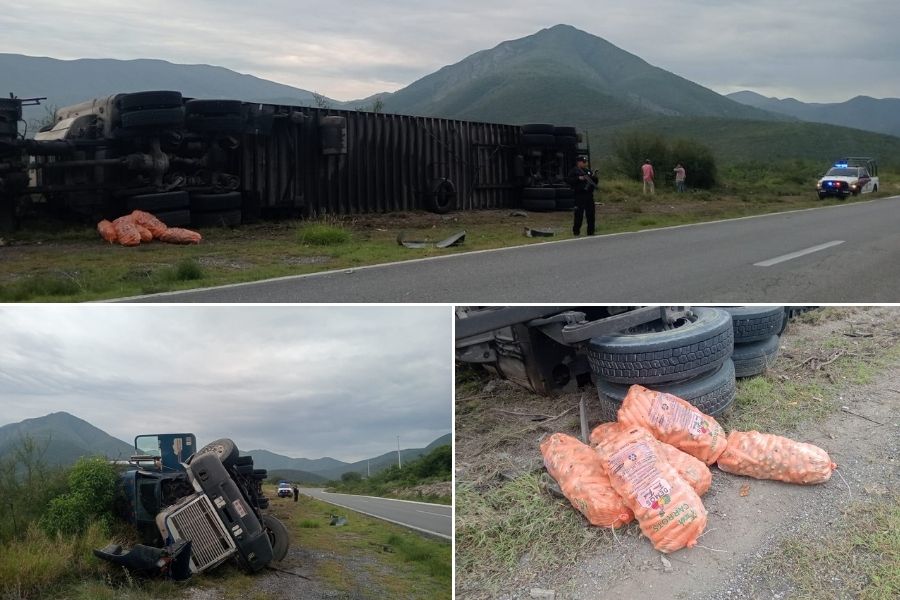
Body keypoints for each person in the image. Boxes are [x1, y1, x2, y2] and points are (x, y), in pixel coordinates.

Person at [566, 156, 599, 236]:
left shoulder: (588, 171)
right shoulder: (574, 171)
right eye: (583, 162)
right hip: (579, 196)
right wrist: (578, 178)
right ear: (579, 162)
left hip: (589, 195)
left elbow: (595, 182)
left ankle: (591, 232)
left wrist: (594, 178)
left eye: (585, 162)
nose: (585, 163)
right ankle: (576, 232)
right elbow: (569, 181)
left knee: (591, 214)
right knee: (578, 215)